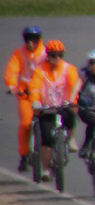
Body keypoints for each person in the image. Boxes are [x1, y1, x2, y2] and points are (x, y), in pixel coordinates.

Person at [26, 40, 80, 175]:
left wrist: (73, 101)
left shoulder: (69, 69)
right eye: (53, 56)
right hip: (46, 108)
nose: (57, 58)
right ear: (48, 56)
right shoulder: (40, 70)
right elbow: (35, 87)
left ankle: (70, 138)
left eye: (60, 55)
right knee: (47, 138)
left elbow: (74, 86)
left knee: (72, 117)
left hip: (64, 106)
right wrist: (35, 101)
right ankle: (45, 169)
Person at [5, 26, 46, 171]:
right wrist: (11, 85)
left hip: (43, 94)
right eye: (29, 39)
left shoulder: (46, 53)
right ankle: (24, 155)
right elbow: (12, 70)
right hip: (25, 94)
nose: (31, 43)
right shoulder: (19, 53)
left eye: (35, 39)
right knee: (26, 123)